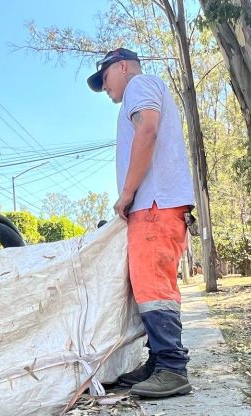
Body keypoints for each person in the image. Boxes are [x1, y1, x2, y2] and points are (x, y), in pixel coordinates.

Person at [87, 48, 194, 398]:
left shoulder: (139, 84)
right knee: (149, 286)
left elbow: (146, 131)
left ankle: (172, 369)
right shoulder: (142, 89)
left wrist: (127, 194)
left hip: (153, 204)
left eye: (104, 78)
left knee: (153, 289)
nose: (105, 88)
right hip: (157, 205)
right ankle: (159, 361)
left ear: (121, 67)